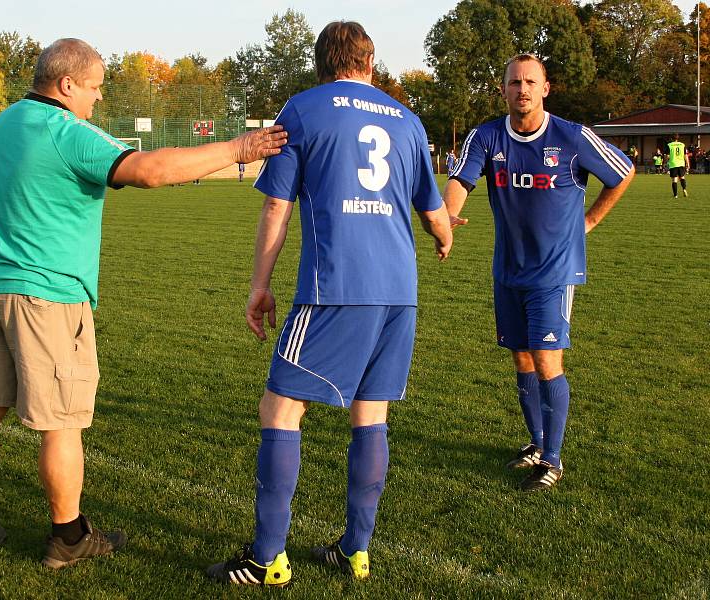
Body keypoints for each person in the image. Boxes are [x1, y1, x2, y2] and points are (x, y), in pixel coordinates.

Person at [0, 37, 286, 568]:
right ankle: (68, 537)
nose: (98, 99)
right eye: (96, 88)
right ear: (67, 84)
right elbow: (147, 171)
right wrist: (238, 150)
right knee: (62, 421)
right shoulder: (67, 131)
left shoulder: (2, 125)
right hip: (46, 297)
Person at [206, 21, 453, 586]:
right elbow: (434, 212)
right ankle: (355, 550)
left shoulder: (304, 109)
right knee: (372, 413)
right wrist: (443, 236)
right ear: (370, 61)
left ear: (322, 63)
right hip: (400, 293)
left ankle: (268, 558)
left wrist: (259, 285)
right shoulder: (408, 119)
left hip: (336, 289)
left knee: (281, 409)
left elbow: (277, 208)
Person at [443, 53, 633, 492]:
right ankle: (535, 441)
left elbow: (622, 173)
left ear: (545, 88)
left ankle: (552, 459)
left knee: (548, 361)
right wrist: (446, 219)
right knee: (521, 357)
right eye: (514, 82)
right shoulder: (487, 137)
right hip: (508, 269)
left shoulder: (572, 137)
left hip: (555, 270)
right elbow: (460, 181)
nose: (522, 89)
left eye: (531, 82)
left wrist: (587, 223)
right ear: (503, 89)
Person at [667, 134, 689, 198]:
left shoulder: (669, 145)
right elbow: (685, 155)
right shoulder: (682, 145)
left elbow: (667, 156)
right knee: (682, 177)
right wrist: (687, 163)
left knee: (674, 180)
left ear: (671, 138)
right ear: (678, 138)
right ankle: (684, 189)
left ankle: (675, 195)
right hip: (681, 163)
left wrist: (666, 162)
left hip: (673, 164)